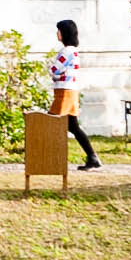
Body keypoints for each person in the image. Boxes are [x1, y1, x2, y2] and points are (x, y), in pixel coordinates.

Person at [46, 20, 106, 169]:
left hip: (64, 92)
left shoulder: (66, 51)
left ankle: (51, 159)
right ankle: (92, 157)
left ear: (64, 33)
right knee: (73, 127)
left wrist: (54, 74)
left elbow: (54, 70)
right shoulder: (73, 51)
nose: (57, 33)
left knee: (51, 123)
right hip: (70, 91)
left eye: (59, 30)